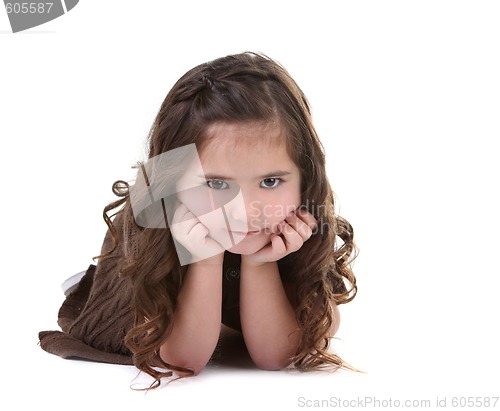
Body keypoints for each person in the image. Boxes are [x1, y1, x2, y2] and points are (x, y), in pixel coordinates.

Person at [39, 52, 358, 389]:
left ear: (304, 176)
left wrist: (259, 263)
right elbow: (182, 361)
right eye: (217, 184)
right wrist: (204, 261)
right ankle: (86, 283)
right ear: (174, 178)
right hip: (156, 267)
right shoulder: (153, 217)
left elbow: (275, 356)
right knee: (135, 309)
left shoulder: (301, 221)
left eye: (270, 182)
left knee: (303, 313)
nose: (246, 211)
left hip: (246, 274)